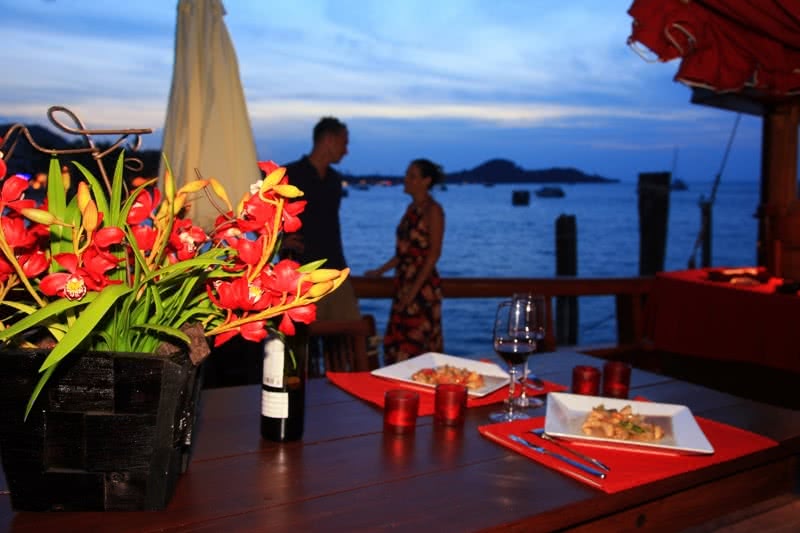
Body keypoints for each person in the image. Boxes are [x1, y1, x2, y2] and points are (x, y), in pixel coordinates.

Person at [366, 159, 445, 364]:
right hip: (404, 284)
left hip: (421, 288)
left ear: (426, 181)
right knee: (398, 349)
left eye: (412, 176)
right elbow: (405, 253)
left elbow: (433, 254)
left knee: (415, 350)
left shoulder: (433, 210)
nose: (406, 180)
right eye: (407, 174)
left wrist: (412, 293)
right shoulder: (412, 209)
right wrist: (380, 271)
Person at [284, 117, 360, 321]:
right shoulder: (289, 175)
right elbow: (259, 213)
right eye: (344, 143)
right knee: (303, 346)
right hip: (300, 275)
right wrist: (277, 242)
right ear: (328, 140)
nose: (346, 151)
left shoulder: (335, 181)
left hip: (335, 272)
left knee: (348, 333)